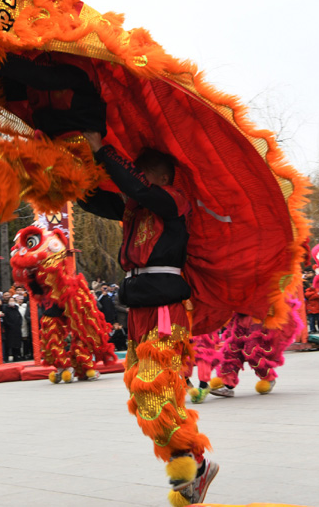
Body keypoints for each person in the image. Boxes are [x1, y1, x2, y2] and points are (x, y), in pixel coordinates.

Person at [79, 132, 217, 505]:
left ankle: (192, 466)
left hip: (164, 313)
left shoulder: (173, 202)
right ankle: (194, 464)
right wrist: (62, 170)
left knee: (154, 388)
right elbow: (91, 199)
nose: (132, 181)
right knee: (145, 399)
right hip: (138, 313)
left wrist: (101, 148)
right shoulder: (134, 207)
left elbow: (134, 187)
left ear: (159, 179)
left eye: (140, 174)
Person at [1, 297, 23, 362]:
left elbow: (20, 317)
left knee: (16, 344)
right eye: (10, 300)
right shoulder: (6, 309)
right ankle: (6, 357)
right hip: (9, 329)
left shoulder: (16, 308)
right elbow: (5, 319)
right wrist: (10, 325)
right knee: (9, 344)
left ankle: (16, 356)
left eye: (13, 300)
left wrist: (19, 324)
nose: (12, 301)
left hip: (17, 329)